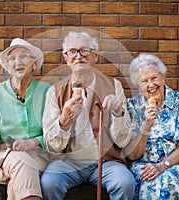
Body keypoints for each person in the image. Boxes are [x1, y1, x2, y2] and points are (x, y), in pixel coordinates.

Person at [41, 31, 136, 200]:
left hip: (106, 161)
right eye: (72, 51)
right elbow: (52, 146)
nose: (79, 56)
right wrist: (64, 119)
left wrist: (118, 114)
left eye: (84, 50)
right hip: (68, 161)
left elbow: (123, 141)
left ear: (95, 56)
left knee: (125, 183)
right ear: (65, 58)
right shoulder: (54, 91)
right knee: (49, 183)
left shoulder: (114, 86)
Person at [0, 38, 50, 200]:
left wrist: (32, 142)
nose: (18, 61)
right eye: (12, 58)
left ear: (34, 64)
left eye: (24, 56)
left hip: (38, 156)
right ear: (8, 67)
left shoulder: (46, 91)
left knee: (21, 173)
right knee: (23, 162)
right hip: (1, 157)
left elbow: (54, 133)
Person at [125, 53, 179, 199]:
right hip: (143, 165)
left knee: (170, 183)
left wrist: (163, 165)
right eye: (144, 81)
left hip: (173, 164)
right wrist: (147, 125)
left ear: (163, 77)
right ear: (138, 85)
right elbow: (133, 154)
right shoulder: (131, 107)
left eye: (154, 78)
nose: (151, 85)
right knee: (147, 184)